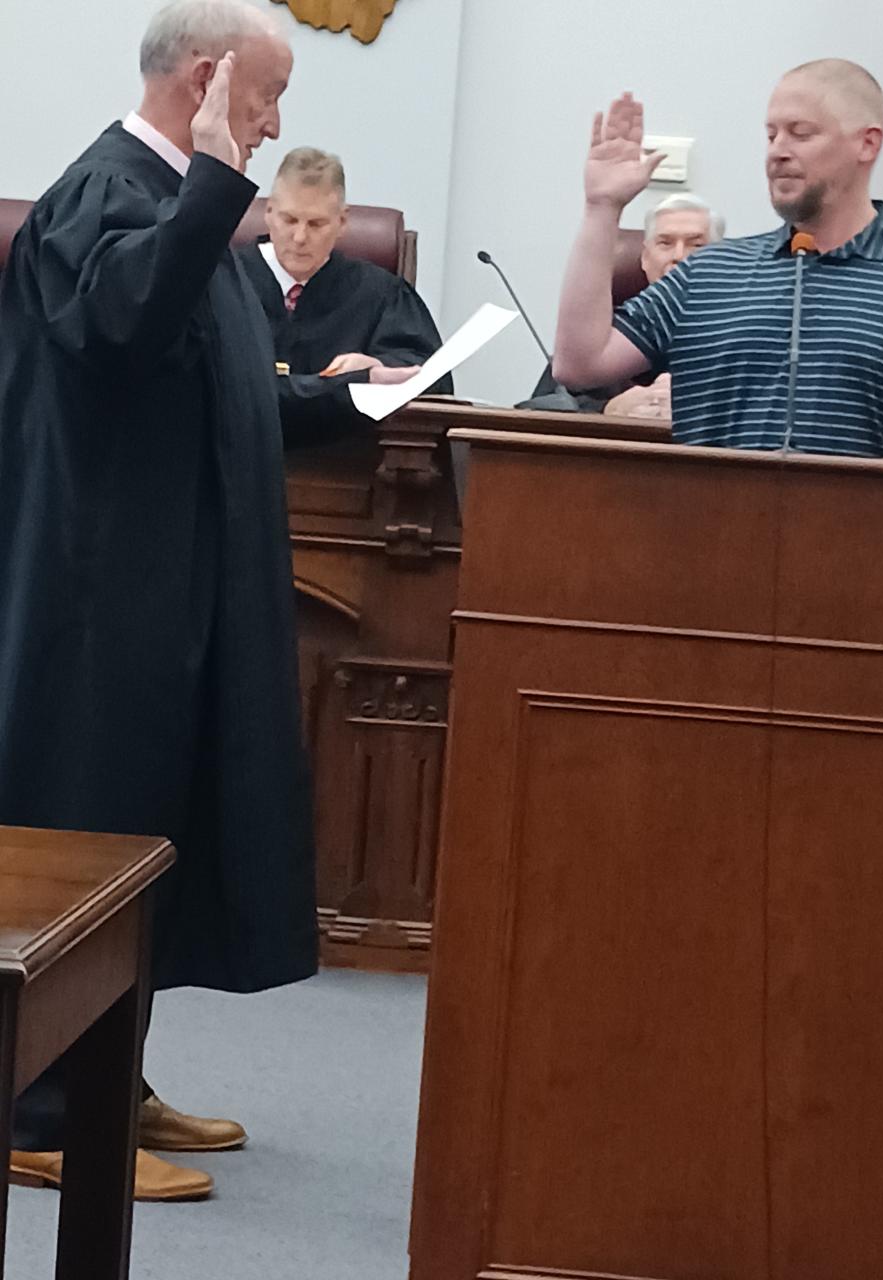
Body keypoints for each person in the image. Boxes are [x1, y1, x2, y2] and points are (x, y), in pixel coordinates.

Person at [0, 0, 371, 1202]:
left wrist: (346, 401)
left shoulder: (185, 204)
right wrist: (216, 175)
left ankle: (113, 1067)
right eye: (266, 94)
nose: (275, 124)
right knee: (96, 821)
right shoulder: (102, 190)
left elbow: (221, 383)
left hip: (177, 588)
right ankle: (40, 1104)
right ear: (210, 81)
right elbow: (120, 327)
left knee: (154, 829)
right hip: (102, 598)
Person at [554, 61, 883, 460]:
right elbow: (579, 364)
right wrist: (601, 207)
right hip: (708, 522)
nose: (778, 151)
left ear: (867, 144)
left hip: (861, 526)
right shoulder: (708, 272)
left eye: (801, 133)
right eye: (771, 135)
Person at [237, 147, 449, 444]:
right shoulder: (225, 279)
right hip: (238, 458)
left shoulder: (380, 294)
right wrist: (345, 386)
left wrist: (376, 368)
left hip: (347, 467)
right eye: (289, 220)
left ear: (342, 222)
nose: (299, 237)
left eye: (316, 224)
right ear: (269, 212)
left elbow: (432, 380)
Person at [603, 194, 724, 420]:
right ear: (645, 258)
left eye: (696, 245)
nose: (679, 256)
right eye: (665, 243)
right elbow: (540, 409)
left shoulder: (741, 336)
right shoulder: (602, 336)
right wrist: (609, 410)